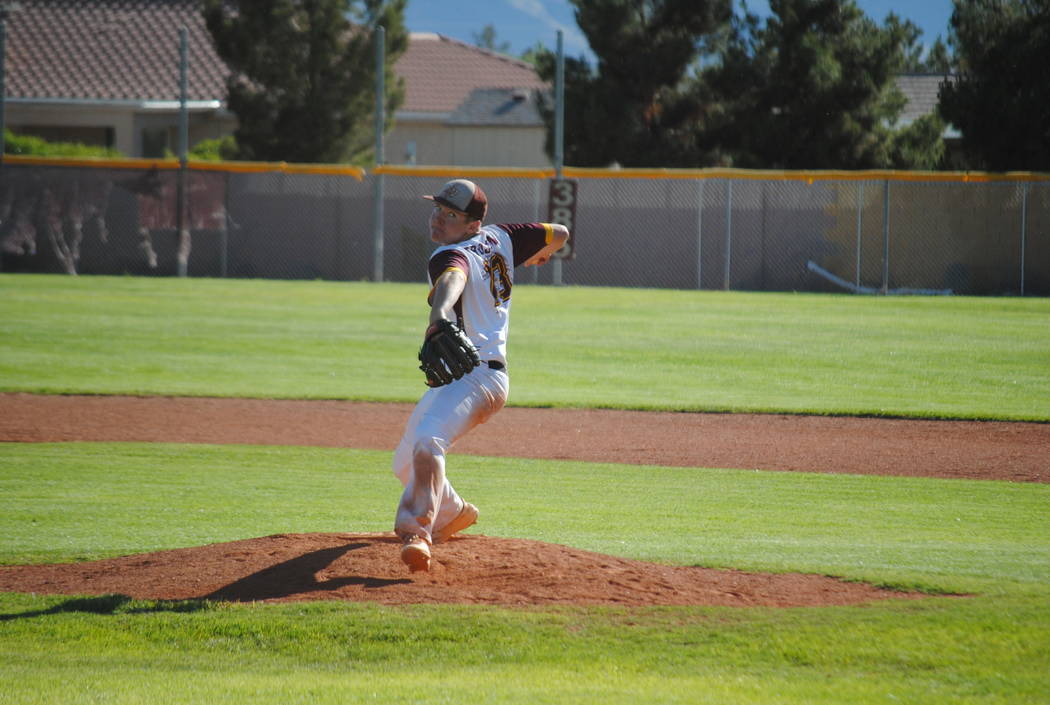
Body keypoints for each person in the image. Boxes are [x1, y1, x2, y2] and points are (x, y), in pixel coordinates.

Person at [392, 178, 569, 572]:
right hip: (471, 376)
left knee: (427, 441)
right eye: (437, 208)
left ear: (472, 224)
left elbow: (453, 277)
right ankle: (452, 513)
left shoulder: (448, 255)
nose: (438, 219)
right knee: (405, 460)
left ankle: (416, 531)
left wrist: (439, 314)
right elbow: (560, 232)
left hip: (477, 376)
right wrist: (541, 253)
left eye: (451, 214)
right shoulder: (505, 236)